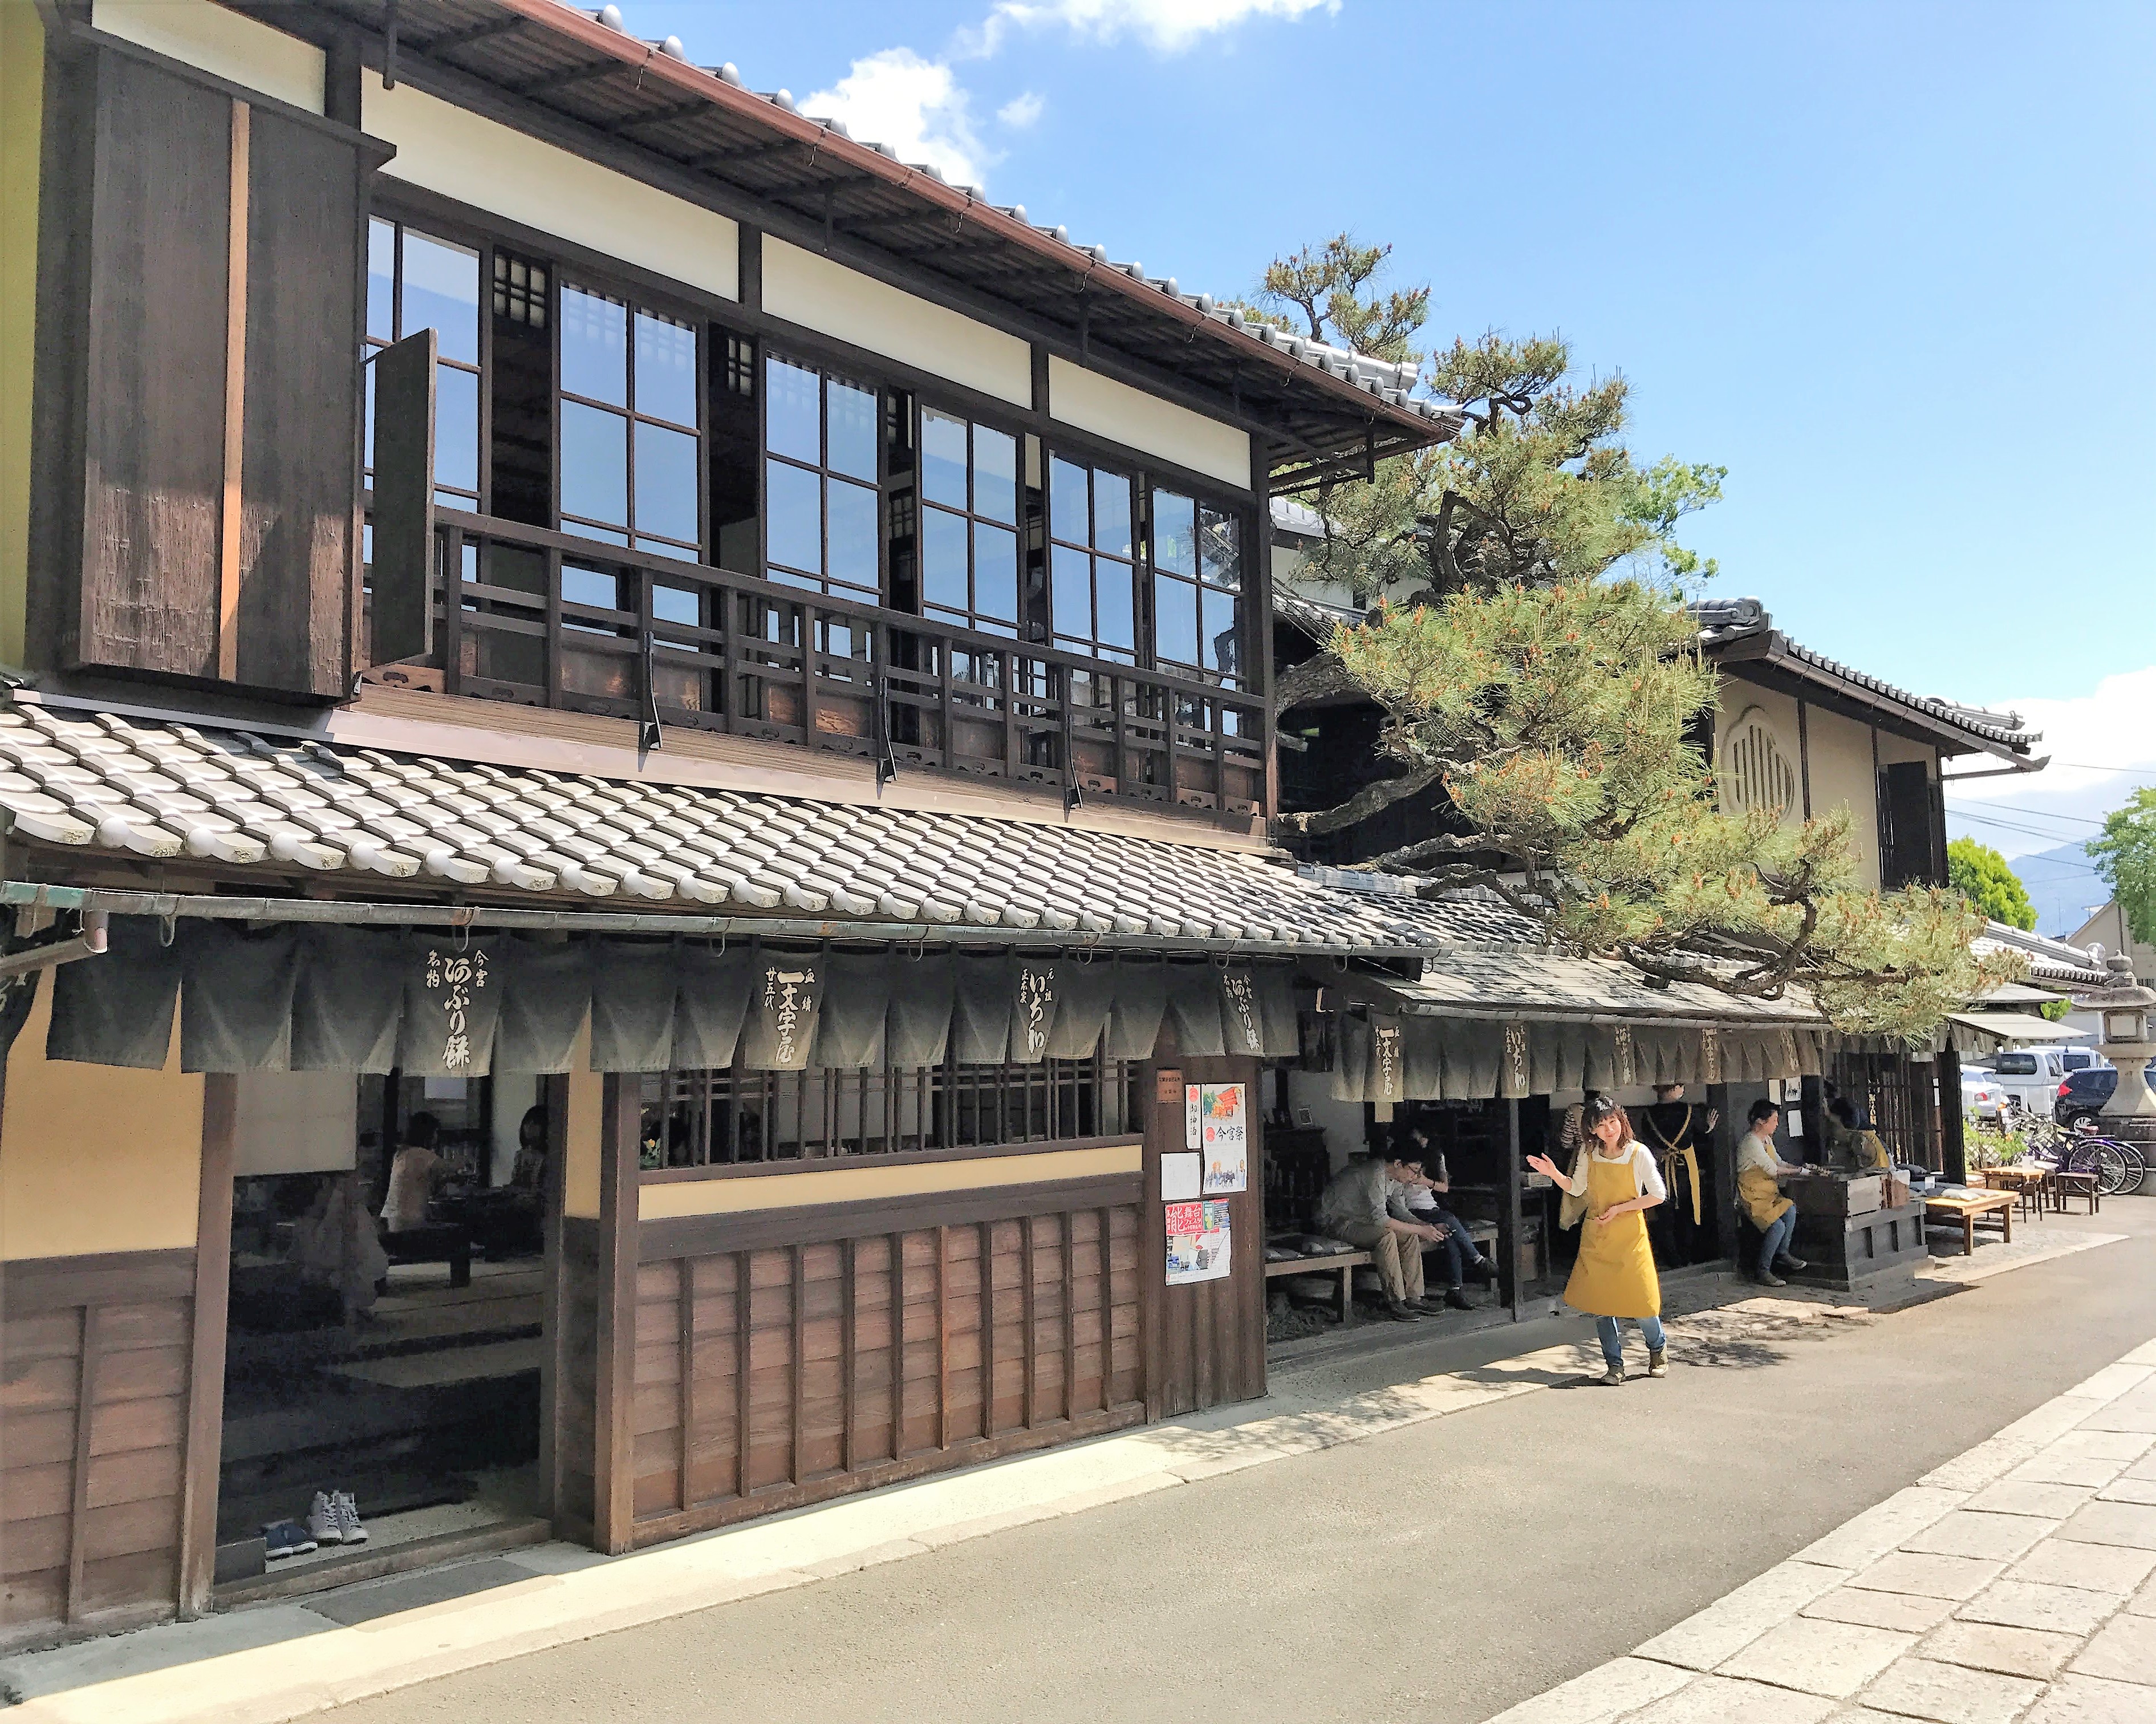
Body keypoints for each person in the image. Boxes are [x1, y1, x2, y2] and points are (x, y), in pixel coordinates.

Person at [1526, 1094, 1668, 1385]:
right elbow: (1576, 1188)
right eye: (1601, 1125)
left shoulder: (1638, 1153)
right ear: (1591, 1129)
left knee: (1641, 1302)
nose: (1609, 1129)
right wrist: (1554, 1173)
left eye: (1613, 1122)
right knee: (1602, 1307)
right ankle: (1614, 1365)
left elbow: (1658, 1195)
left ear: (1622, 1121)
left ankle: (1657, 1349)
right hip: (1598, 1236)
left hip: (1630, 1238)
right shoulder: (1588, 1153)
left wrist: (1619, 1209)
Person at [1314, 1149, 1449, 1322]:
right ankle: (1395, 1301)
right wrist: (1421, 1230)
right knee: (1386, 1236)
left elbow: (1401, 1211)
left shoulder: (1396, 1178)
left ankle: (1414, 1298)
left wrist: (1426, 1226)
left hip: (1362, 1222)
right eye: (1414, 1171)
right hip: (1335, 1222)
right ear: (1398, 1164)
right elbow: (1382, 1220)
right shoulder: (1375, 1174)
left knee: (1409, 1236)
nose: (1415, 1177)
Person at [1394, 1125, 1499, 1308]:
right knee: (1450, 1221)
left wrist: (1425, 1181)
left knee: (1449, 1234)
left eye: (1421, 1139)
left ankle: (1456, 1290)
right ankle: (1478, 1261)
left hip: (1432, 1208)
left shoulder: (1435, 1157)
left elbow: (1444, 1187)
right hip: (1412, 1211)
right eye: (1414, 1139)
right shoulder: (1403, 1161)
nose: (1419, 1143)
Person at [1638, 1084, 1716, 1268]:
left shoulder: (1648, 1114)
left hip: (1660, 1169)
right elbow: (1701, 1131)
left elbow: (1646, 1139)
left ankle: (1672, 1260)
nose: (1683, 1089)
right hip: (1685, 1170)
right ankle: (1686, 1256)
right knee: (1687, 1212)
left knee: (1665, 1215)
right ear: (1673, 1088)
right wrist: (1709, 1127)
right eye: (1681, 1086)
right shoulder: (1689, 1110)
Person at [1736, 1099, 1809, 1285]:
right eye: (1774, 1120)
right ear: (1761, 1122)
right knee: (1778, 1227)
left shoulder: (1766, 1139)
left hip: (1768, 1193)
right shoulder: (1751, 1142)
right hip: (1752, 1196)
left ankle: (1783, 1253)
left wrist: (1802, 1168)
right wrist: (1798, 1171)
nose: (1777, 1124)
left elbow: (1779, 1162)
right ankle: (1763, 1270)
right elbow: (1772, 1170)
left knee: (1790, 1210)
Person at [379, 1112, 446, 1233]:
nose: (437, 1136)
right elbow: (449, 1171)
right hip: (410, 1221)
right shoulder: (425, 1156)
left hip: (389, 1218)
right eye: (436, 1132)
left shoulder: (401, 1154)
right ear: (428, 1133)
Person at [509, 1105, 549, 1191]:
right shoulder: (520, 1155)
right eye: (527, 1123)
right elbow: (514, 1183)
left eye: (535, 1124)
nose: (530, 1127)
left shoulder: (546, 1157)